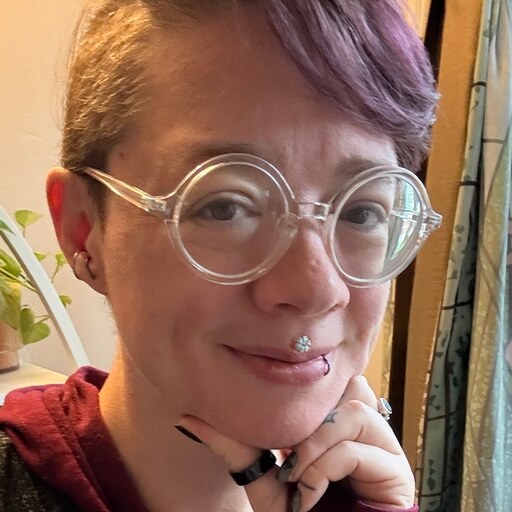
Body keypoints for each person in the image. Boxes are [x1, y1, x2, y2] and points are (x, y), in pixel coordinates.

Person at [0, 1, 441, 510]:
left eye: (362, 213)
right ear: (84, 230)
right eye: (225, 207)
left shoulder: (368, 495)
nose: (316, 290)